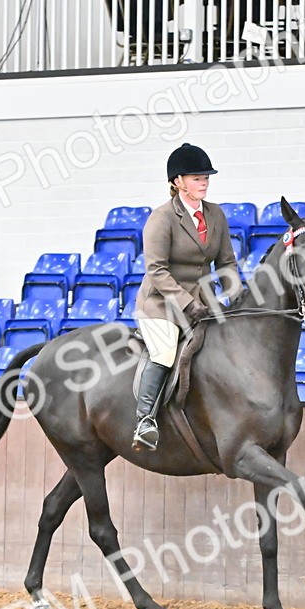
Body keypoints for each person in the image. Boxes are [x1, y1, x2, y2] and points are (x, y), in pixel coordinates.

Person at [132, 143, 243, 451]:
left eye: (206, 176)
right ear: (178, 181)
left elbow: (227, 263)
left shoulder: (216, 215)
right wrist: (186, 302)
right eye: (196, 177)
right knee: (166, 351)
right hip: (161, 304)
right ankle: (145, 421)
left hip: (201, 305)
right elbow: (156, 270)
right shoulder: (162, 218)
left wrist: (234, 295)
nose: (204, 181)